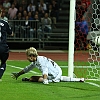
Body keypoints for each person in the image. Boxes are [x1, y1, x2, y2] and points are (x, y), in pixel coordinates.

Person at [11, 47, 84, 84]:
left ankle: (52, 80)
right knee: (32, 78)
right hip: (56, 71)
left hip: (55, 73)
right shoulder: (36, 61)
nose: (27, 58)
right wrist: (18, 74)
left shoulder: (40, 61)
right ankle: (78, 80)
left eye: (28, 56)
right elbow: (27, 68)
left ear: (32, 56)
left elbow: (45, 70)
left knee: (39, 79)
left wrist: (45, 80)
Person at [0, 9, 14, 82]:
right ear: (1, 13)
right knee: (3, 62)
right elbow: (11, 33)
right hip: (3, 46)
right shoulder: (5, 22)